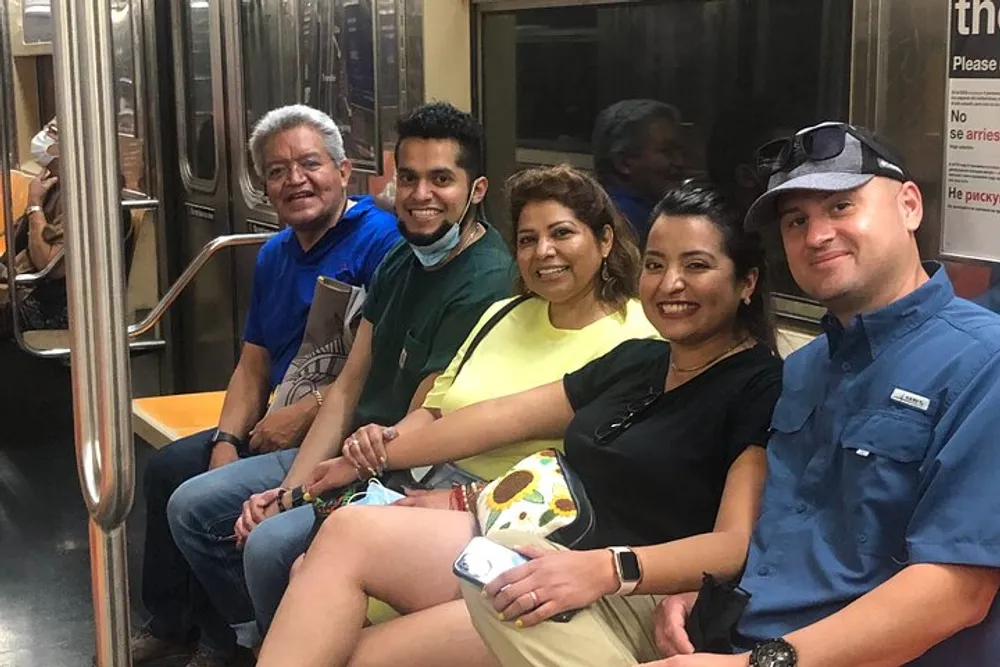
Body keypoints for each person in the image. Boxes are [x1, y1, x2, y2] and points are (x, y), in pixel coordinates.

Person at [253, 181, 784, 667]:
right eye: (655, 264)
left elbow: (733, 543)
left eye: (696, 266)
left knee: (362, 657)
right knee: (347, 531)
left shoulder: (756, 384)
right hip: (534, 540)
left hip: (624, 588)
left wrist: (606, 569)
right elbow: (496, 418)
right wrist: (366, 458)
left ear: (746, 282)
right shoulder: (642, 360)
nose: (670, 283)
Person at [244, 163, 660, 632]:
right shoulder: (503, 313)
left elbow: (503, 422)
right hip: (430, 480)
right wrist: (373, 446)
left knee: (328, 584)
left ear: (604, 241)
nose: (544, 252)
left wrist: (394, 474)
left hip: (523, 515)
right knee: (300, 568)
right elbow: (436, 410)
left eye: (562, 233)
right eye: (527, 240)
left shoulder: (637, 338)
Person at [166, 102, 515, 656]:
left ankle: (291, 643)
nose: (422, 195)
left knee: (268, 546)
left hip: (394, 466)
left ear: (475, 190)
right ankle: (259, 639)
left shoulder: (487, 279)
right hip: (342, 444)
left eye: (441, 179)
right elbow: (349, 386)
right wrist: (289, 490)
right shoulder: (403, 259)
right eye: (410, 178)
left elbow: (416, 431)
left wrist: (301, 495)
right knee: (191, 505)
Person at [653, 122, 1000, 667]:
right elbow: (792, 540)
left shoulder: (985, 363)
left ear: (909, 206)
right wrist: (706, 601)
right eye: (797, 221)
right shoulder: (806, 366)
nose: (816, 236)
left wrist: (757, 665)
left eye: (841, 207)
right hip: (742, 639)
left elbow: (955, 592)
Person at [131, 104, 400, 667]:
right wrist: (227, 440)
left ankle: (242, 642)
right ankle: (178, 625)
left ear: (343, 170)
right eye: (277, 171)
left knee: (206, 505)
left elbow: (376, 370)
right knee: (171, 469)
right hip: (274, 419)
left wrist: (300, 415)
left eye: (309, 164)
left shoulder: (382, 243)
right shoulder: (276, 252)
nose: (295, 180)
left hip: (338, 425)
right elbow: (253, 364)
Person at [0, 119, 68, 338]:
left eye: (53, 132)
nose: (43, 136)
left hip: (46, 303)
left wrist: (35, 204)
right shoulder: (52, 184)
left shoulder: (83, 200)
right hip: (22, 284)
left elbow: (48, 264)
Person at [592, 100, 687, 243]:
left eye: (680, 152)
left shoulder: (595, 206)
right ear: (624, 163)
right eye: (667, 152)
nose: (680, 162)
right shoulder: (627, 221)